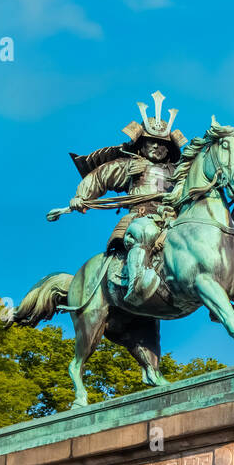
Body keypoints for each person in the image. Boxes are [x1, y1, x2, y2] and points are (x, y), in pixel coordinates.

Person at [66, 90, 186, 309]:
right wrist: (81, 197)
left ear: (169, 149)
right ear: (141, 144)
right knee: (143, 232)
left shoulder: (179, 172)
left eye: (162, 145)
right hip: (141, 217)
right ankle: (136, 284)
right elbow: (100, 177)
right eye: (151, 142)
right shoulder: (130, 166)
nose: (157, 148)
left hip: (171, 219)